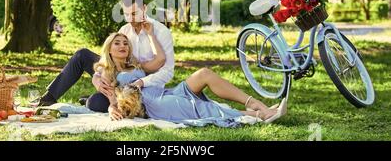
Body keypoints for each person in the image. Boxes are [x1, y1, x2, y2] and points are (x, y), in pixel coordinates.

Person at [96, 32, 287, 127]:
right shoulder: (107, 71)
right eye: (117, 43)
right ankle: (261, 115)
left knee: (204, 73)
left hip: (165, 92)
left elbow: (160, 59)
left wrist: (151, 33)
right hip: (153, 105)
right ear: (109, 49)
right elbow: (112, 98)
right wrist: (112, 107)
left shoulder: (135, 65)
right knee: (197, 106)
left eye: (125, 43)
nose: (123, 46)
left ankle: (255, 104)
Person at [38, 0, 175, 112]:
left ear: (144, 8)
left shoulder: (161, 32)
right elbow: (109, 57)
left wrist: (140, 82)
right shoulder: (125, 30)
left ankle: (98, 99)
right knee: (82, 55)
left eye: (134, 13)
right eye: (126, 14)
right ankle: (48, 98)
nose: (130, 19)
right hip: (118, 75)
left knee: (95, 102)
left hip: (141, 87)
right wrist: (96, 77)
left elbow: (167, 73)